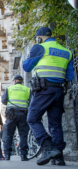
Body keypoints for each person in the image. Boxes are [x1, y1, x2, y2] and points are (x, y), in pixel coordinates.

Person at [23, 27, 74, 166]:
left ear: (39, 37)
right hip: (59, 91)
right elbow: (70, 76)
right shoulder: (66, 52)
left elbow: (26, 67)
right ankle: (59, 157)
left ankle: (48, 147)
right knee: (55, 124)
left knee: (32, 118)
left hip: (43, 89)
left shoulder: (40, 47)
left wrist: (31, 54)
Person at [1, 75, 31, 161]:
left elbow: (3, 100)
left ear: (14, 81)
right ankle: (24, 155)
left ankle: (7, 155)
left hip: (11, 114)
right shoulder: (27, 89)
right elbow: (31, 101)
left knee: (9, 135)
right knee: (23, 135)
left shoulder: (9, 88)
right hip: (23, 114)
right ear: (22, 81)